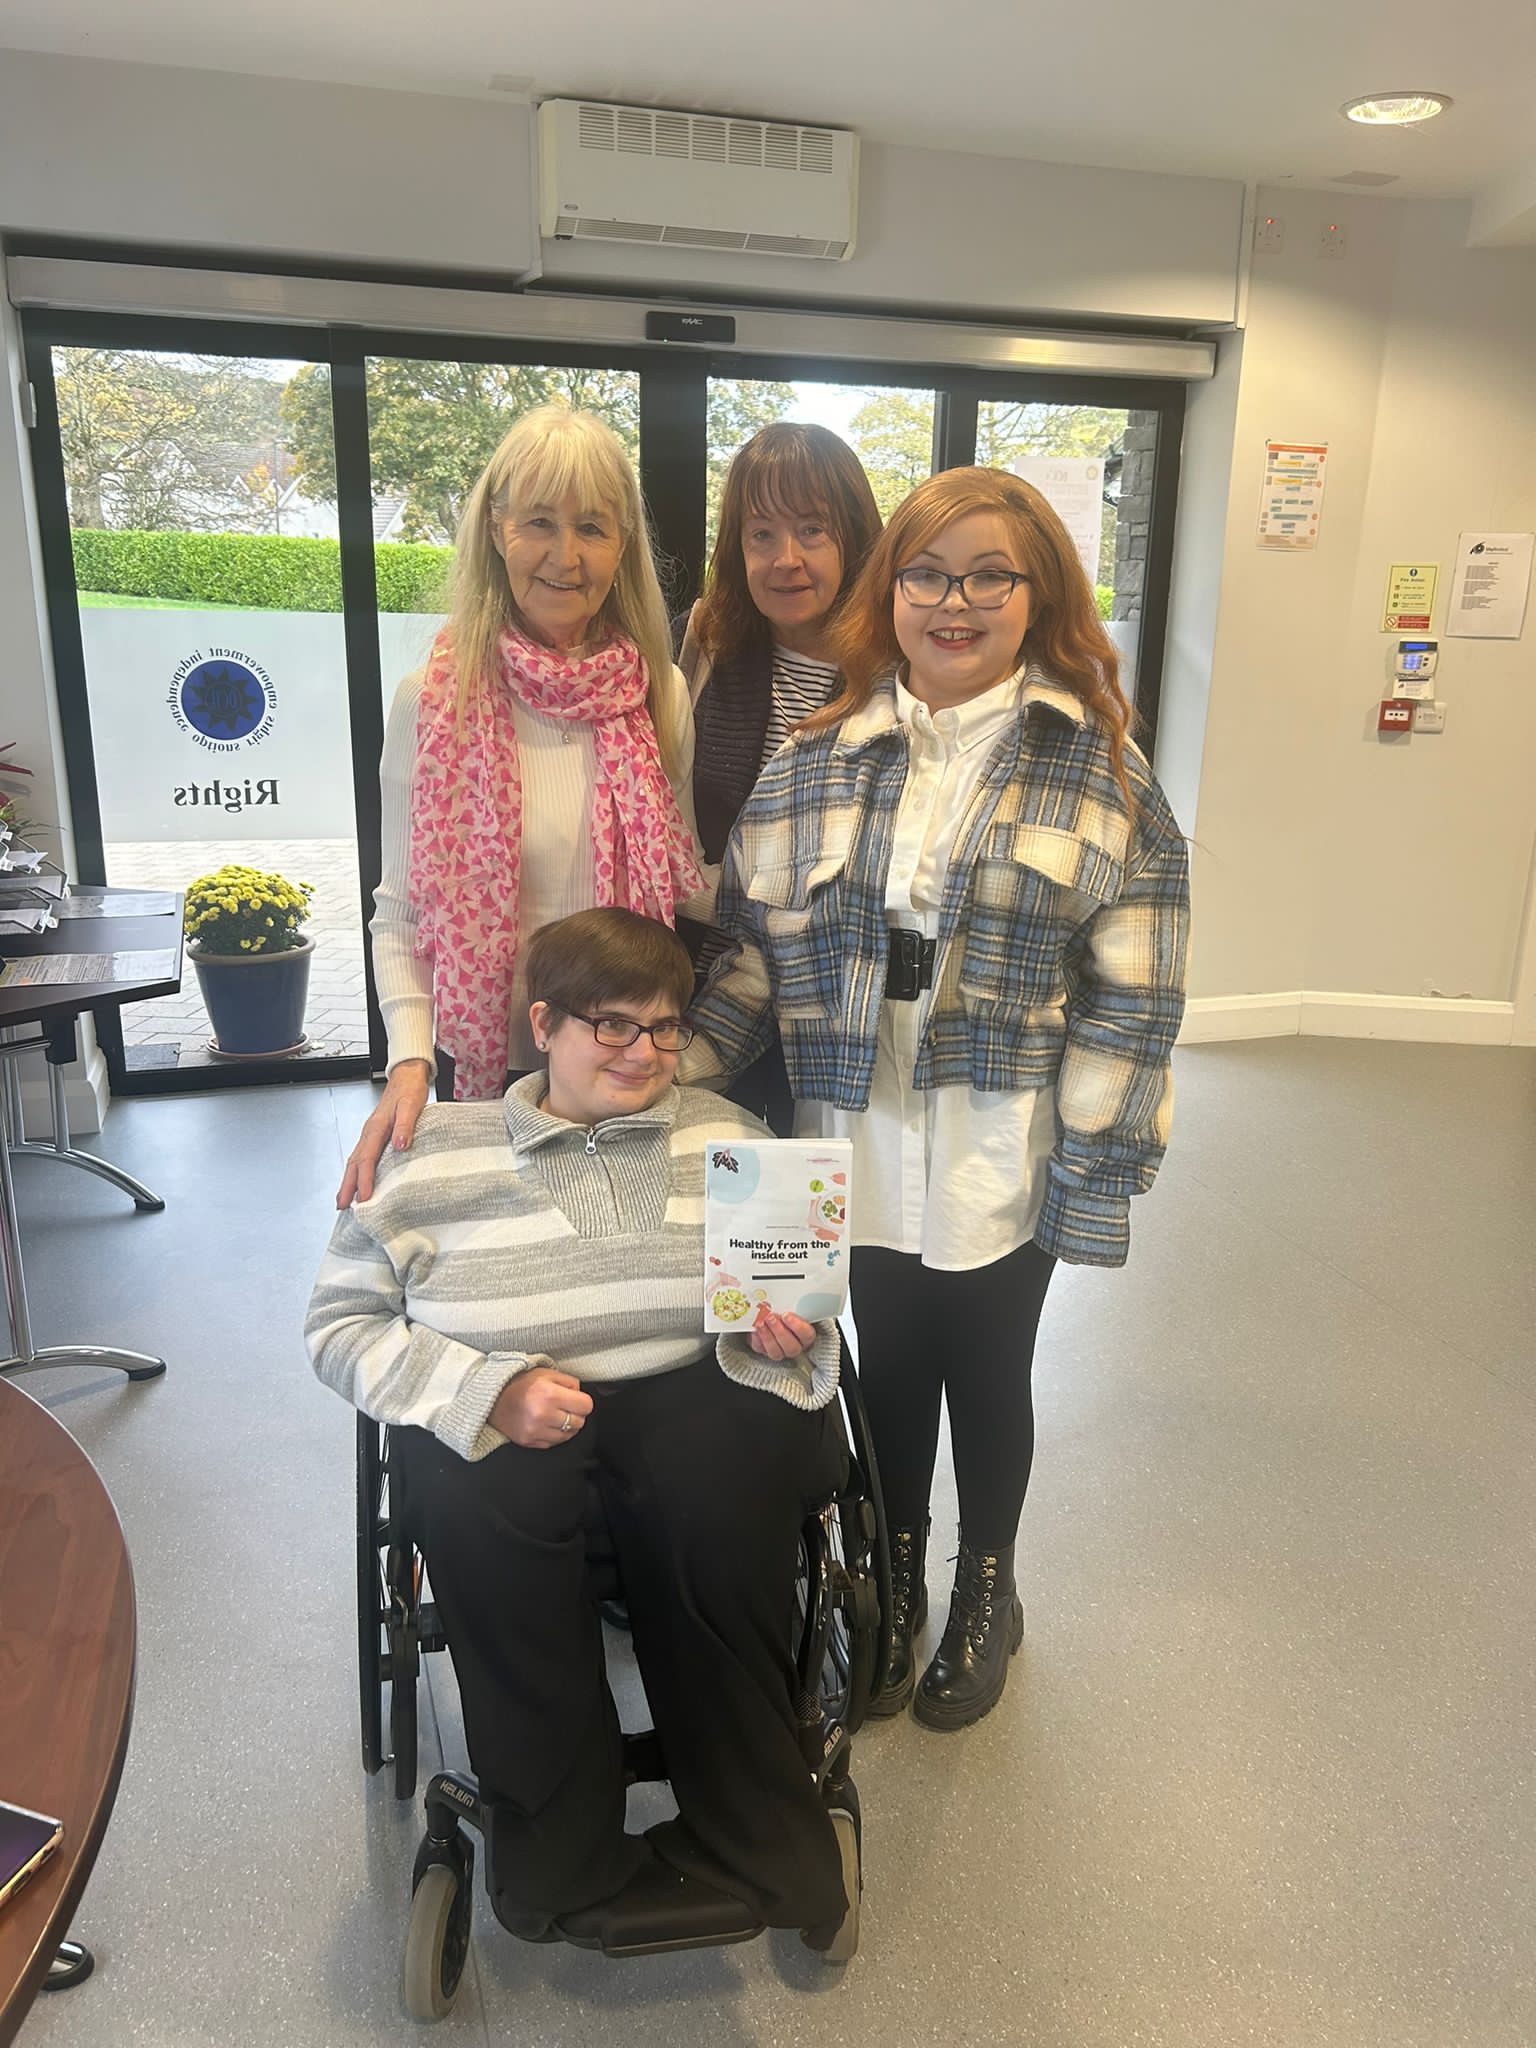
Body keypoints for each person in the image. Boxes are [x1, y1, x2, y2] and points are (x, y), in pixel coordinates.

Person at [682, 467, 1189, 1732]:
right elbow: (750, 957)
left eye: (988, 576)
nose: (953, 602)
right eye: (926, 574)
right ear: (889, 589)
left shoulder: (1102, 771)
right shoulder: (814, 758)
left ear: (1038, 595)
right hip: (854, 1124)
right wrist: (661, 1080)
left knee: (989, 1367)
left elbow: (1135, 996)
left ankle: (987, 1589)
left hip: (1000, 1135)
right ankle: (895, 1578)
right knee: (892, 1365)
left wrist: (1095, 1171)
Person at [308, 908, 848, 1945]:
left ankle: (758, 1836)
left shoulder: (736, 1142)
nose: (643, 1052)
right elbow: (338, 1328)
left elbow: (806, 1310)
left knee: (721, 1501)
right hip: (503, 1413)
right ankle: (561, 1859)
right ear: (543, 1024)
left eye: (664, 1027)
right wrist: (484, 1390)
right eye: (612, 1025)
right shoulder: (427, 1157)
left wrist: (784, 1333)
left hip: (688, 1405)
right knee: (488, 1515)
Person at [338, 406, 706, 1205]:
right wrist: (409, 1061)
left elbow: (682, 883)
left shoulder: (658, 694)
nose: (565, 556)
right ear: (496, 531)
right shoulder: (433, 700)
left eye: (592, 527)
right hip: (486, 1070)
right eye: (539, 522)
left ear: (622, 546)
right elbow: (401, 911)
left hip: (622, 1065)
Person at [674, 422, 882, 1131]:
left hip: (827, 996)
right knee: (708, 1174)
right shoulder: (706, 640)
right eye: (760, 534)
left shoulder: (896, 671)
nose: (784, 559)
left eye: (812, 530)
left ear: (855, 537)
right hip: (699, 976)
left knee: (814, 1183)